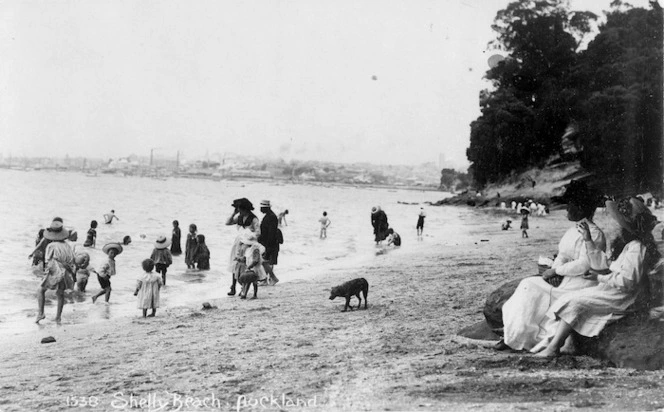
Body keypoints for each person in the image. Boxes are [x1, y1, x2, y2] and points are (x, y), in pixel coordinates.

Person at [534, 197, 660, 357]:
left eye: (619, 223)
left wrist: (599, 277)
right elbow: (604, 264)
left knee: (577, 302)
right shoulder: (628, 245)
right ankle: (563, 343)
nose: (617, 227)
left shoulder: (636, 248)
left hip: (626, 298)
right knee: (572, 297)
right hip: (616, 291)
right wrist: (588, 240)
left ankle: (554, 347)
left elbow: (627, 282)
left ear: (627, 227)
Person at [498, 180, 607, 352]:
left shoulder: (594, 233)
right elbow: (562, 254)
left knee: (531, 286)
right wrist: (555, 273)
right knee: (528, 284)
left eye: (569, 206)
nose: (566, 210)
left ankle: (522, 337)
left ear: (580, 207)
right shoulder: (573, 230)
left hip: (581, 284)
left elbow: (584, 264)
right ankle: (514, 335)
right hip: (565, 281)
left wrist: (556, 271)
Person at [35, 218, 76, 323]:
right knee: (60, 293)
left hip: (55, 271)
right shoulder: (67, 245)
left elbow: (48, 261)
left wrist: (46, 273)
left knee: (41, 290)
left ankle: (41, 313)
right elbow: (72, 260)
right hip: (66, 272)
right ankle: (58, 317)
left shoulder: (51, 246)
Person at [226, 198, 261, 296]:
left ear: (245, 209)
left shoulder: (254, 219)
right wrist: (233, 213)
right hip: (239, 242)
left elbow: (258, 233)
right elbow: (228, 223)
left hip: (249, 243)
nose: (239, 211)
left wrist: (250, 236)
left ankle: (243, 287)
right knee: (235, 264)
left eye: (239, 209)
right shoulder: (239, 217)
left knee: (245, 264)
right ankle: (233, 287)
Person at [234, 229, 268, 299]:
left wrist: (249, 266)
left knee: (254, 282)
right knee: (249, 281)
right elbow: (245, 258)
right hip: (250, 267)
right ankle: (245, 294)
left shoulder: (255, 249)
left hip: (255, 268)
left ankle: (254, 294)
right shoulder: (248, 249)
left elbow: (256, 260)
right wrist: (239, 259)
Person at [258, 200, 280, 285]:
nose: (260, 209)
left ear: (265, 208)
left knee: (264, 261)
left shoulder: (270, 217)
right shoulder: (270, 216)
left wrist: (267, 245)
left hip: (269, 243)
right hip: (268, 242)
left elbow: (271, 232)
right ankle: (268, 278)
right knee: (266, 261)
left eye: (262, 207)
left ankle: (269, 278)